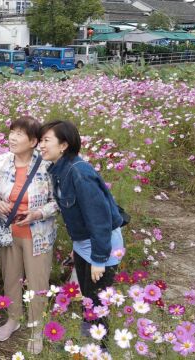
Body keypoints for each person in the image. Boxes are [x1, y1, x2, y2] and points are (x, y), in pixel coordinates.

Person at [39, 120, 125, 336]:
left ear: (64, 145)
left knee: (98, 301)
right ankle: (88, 340)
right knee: (87, 295)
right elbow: (77, 215)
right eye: (41, 140)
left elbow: (100, 220)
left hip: (101, 246)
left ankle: (101, 346)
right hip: (83, 244)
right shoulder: (59, 171)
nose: (41, 145)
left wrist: (99, 259)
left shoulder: (79, 172)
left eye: (46, 140)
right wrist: (77, 246)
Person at [0, 116, 57, 354]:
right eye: (12, 132)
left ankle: (37, 327)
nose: (13, 137)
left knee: (38, 282)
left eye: (20, 134)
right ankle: (13, 318)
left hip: (37, 235)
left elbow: (57, 202)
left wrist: (37, 213)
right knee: (11, 277)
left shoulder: (47, 166)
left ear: (34, 141)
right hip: (8, 233)